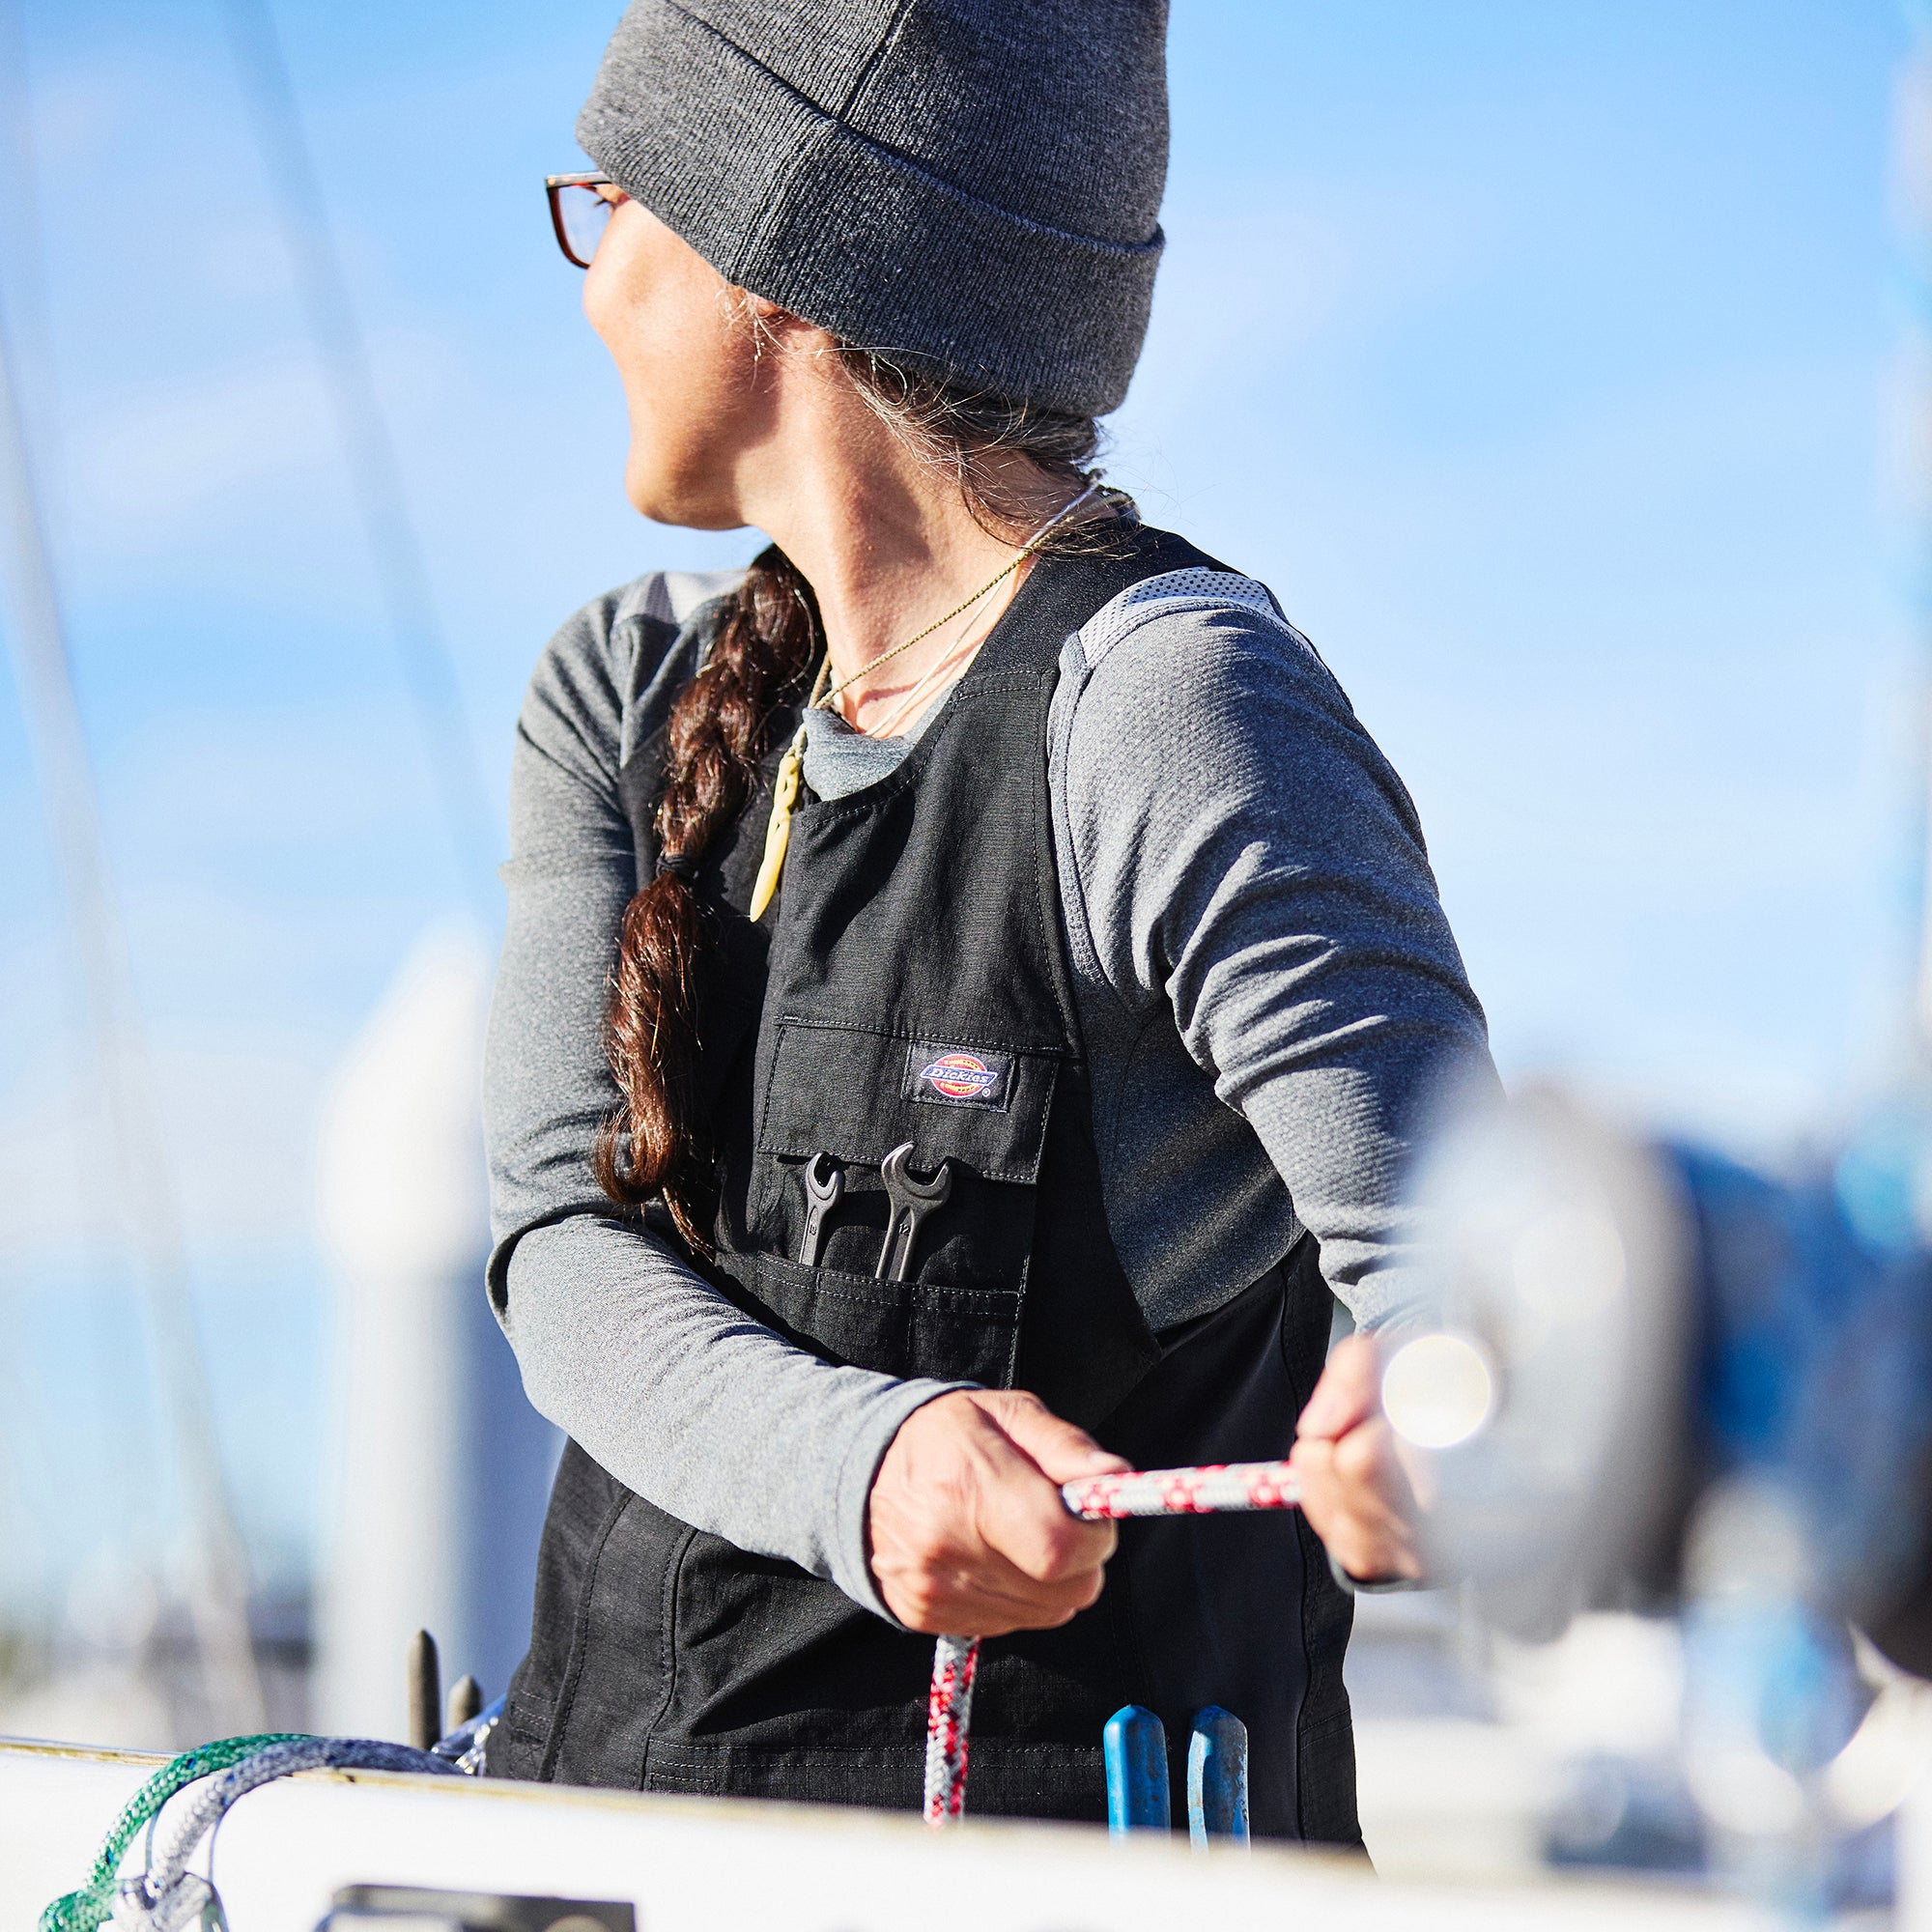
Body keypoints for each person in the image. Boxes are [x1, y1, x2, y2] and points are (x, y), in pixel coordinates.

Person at [483, 0, 1493, 1843]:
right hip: (586, 1858)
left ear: (768, 246)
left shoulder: (1170, 713)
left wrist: (1441, 1420)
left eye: (610, 202)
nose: (592, 285)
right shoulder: (616, 695)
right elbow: (558, 1241)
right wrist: (861, 1467)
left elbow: (1473, 1284)